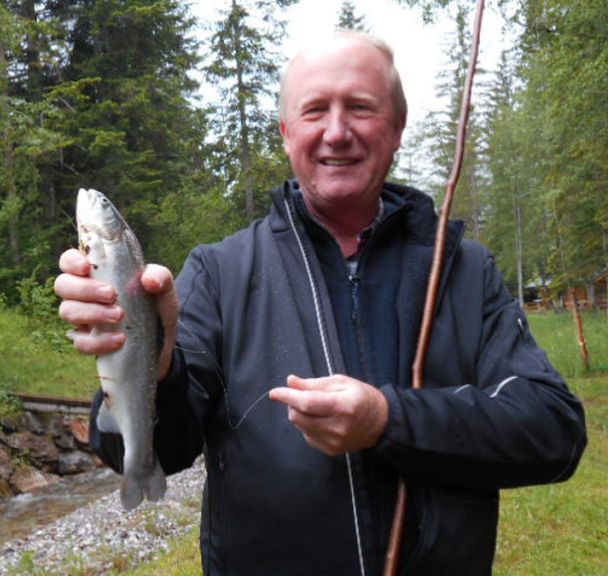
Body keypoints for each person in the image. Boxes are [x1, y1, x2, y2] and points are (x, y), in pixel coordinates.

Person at [55, 32, 587, 576]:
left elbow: (553, 433)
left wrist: (389, 420)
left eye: (360, 107)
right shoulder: (221, 271)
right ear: (286, 133)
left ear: (397, 127)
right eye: (314, 111)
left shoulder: (463, 270)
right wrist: (156, 361)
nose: (337, 132)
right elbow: (156, 453)